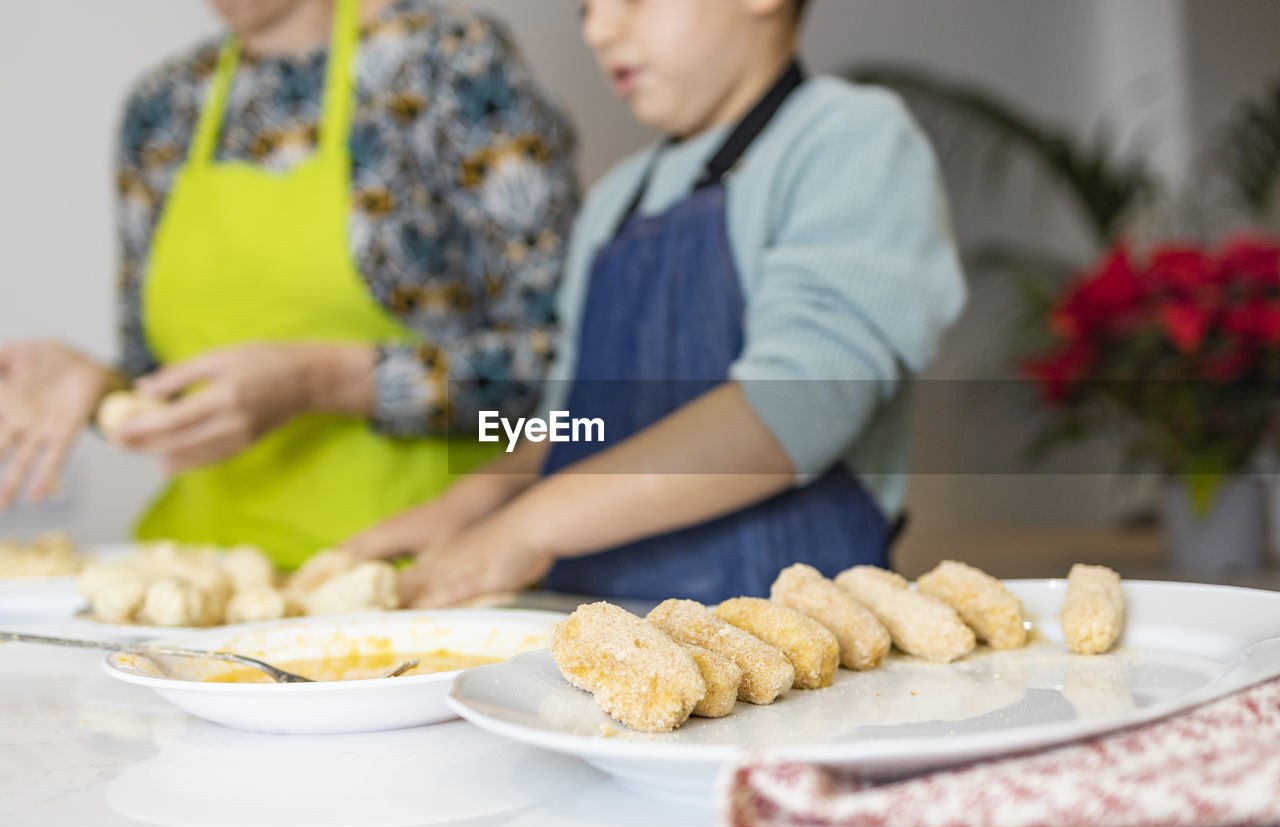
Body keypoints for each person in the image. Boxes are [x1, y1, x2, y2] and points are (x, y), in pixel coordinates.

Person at [347, 0, 966, 606]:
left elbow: (795, 406)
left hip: (793, 650)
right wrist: (470, 506)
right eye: (584, 9)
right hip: (594, 633)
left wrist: (527, 527)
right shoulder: (616, 202)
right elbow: (569, 420)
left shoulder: (849, 138)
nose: (598, 29)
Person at [0, 0, 577, 567]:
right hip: (204, 576)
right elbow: (165, 385)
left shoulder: (447, 63)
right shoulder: (163, 105)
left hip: (413, 570)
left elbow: (569, 375)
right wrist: (98, 388)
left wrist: (320, 382)